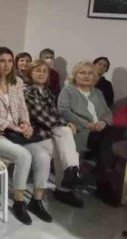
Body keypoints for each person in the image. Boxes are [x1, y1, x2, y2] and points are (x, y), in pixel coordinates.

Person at [0, 47, 52, 225]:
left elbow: (22, 108)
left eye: (10, 61)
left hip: (16, 133)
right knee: (23, 156)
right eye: (2, 61)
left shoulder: (17, 82)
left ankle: (36, 201)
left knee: (43, 156)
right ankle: (18, 203)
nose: (6, 65)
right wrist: (13, 126)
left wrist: (25, 123)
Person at [58, 61, 124, 206]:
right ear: (75, 75)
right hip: (81, 131)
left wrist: (104, 122)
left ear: (94, 77)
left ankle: (103, 183)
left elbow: (107, 113)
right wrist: (87, 124)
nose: (86, 76)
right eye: (82, 73)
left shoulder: (97, 93)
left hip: (101, 131)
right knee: (109, 140)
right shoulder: (68, 91)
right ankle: (103, 185)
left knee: (116, 134)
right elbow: (64, 111)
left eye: (90, 73)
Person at [23, 60, 84, 208]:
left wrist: (64, 123)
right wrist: (64, 124)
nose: (42, 74)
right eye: (38, 70)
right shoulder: (26, 90)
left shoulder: (47, 91)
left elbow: (55, 113)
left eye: (45, 71)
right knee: (63, 141)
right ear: (30, 73)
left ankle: (69, 176)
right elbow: (39, 114)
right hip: (34, 132)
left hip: (50, 131)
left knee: (63, 141)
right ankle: (67, 182)